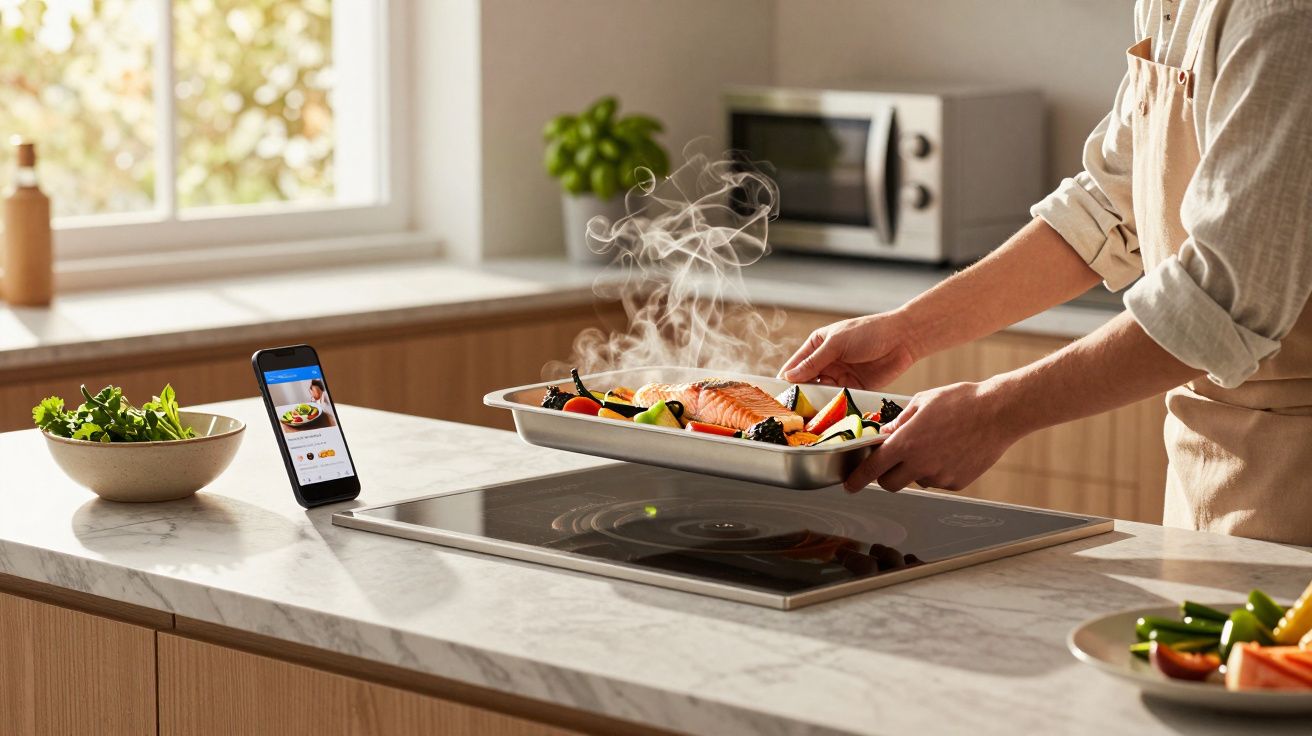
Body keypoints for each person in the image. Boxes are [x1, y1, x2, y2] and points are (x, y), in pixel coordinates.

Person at [781, 0, 1312, 545]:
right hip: (1202, 469)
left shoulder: (1280, 15)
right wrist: (908, 331)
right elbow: (1108, 205)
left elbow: (1221, 299)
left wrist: (993, 413)